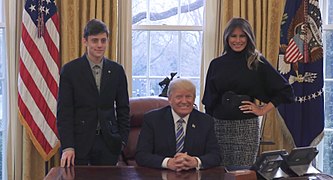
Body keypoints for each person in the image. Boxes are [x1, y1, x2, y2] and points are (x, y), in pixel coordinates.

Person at [202, 17, 295, 167]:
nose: (237, 40)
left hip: (246, 128)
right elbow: (209, 101)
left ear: (249, 38)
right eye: (233, 36)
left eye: (242, 36)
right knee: (217, 172)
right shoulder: (216, 64)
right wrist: (207, 132)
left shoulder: (257, 62)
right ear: (227, 38)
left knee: (242, 173)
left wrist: (263, 109)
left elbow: (286, 91)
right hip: (218, 128)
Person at [57, 19, 130, 167]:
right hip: (79, 143)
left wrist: (122, 140)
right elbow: (64, 112)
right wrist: (68, 146)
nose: (99, 45)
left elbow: (123, 108)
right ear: (85, 41)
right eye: (94, 40)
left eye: (103, 40)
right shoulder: (70, 70)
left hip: (109, 143)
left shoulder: (117, 70)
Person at [136, 78, 221, 171]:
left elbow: (215, 156)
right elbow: (141, 155)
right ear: (169, 99)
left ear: (194, 99)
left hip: (193, 175)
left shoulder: (206, 121)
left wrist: (195, 161)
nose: (184, 101)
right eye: (179, 97)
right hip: (161, 175)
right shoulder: (152, 119)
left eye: (188, 96)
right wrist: (168, 163)